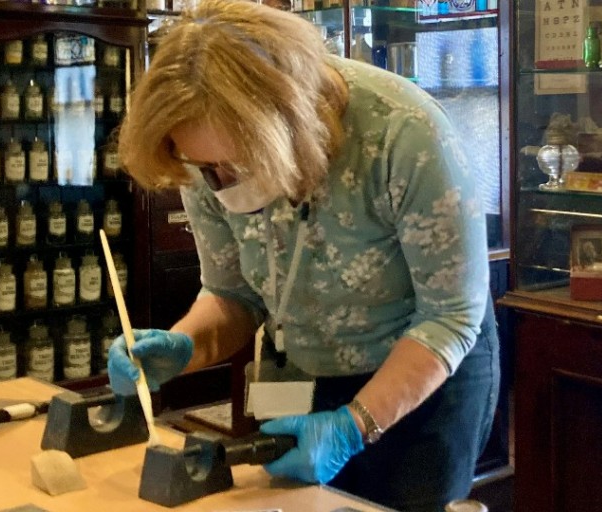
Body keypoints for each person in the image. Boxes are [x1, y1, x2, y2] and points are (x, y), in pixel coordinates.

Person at [109, 1, 499, 510]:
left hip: (421, 376)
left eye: (232, 164)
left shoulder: (404, 134)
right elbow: (233, 294)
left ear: (289, 126)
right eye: (205, 168)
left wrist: (354, 425)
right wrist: (185, 345)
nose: (218, 185)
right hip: (300, 371)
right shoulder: (202, 152)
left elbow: (450, 316)